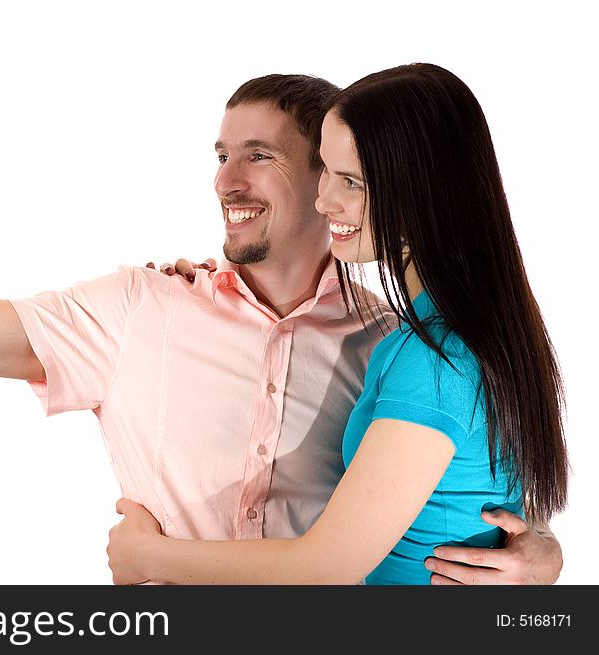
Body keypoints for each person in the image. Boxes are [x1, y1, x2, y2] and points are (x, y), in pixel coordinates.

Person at [0, 73, 562, 584]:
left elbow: (454, 508)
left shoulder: (394, 339)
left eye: (259, 156)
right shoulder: (138, 308)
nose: (226, 179)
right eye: (220, 154)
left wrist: (540, 562)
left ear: (331, 175)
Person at [106, 63, 569, 585]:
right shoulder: (452, 337)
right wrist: (545, 545)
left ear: (423, 192)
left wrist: (147, 556)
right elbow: (472, 493)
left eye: (351, 181)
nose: (323, 200)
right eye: (325, 169)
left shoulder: (438, 359)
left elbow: (324, 565)